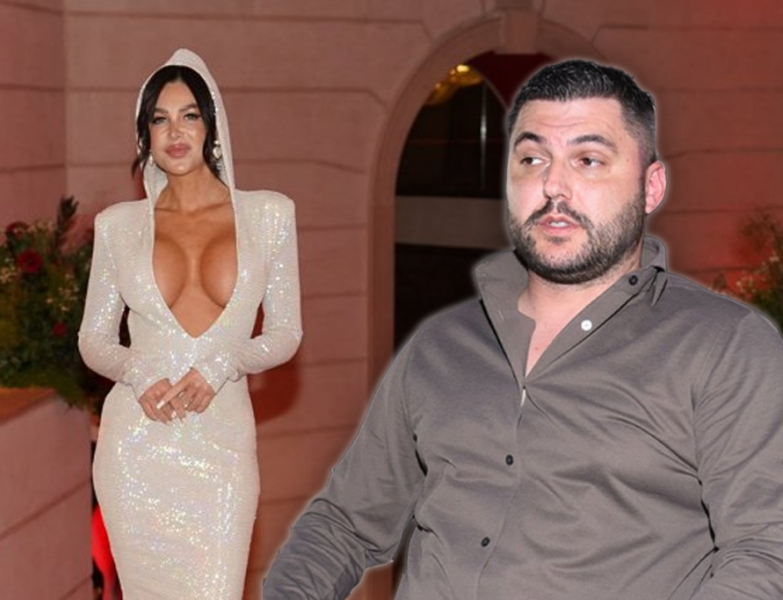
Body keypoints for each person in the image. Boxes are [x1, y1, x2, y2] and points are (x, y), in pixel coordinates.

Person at [263, 60, 783, 599]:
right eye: (532, 159)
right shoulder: (442, 346)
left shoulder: (724, 346)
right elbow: (342, 525)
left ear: (650, 187)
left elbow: (766, 555)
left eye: (588, 160)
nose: (553, 185)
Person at [78, 48, 302, 600]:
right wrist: (138, 373)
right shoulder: (118, 226)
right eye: (160, 118)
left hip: (221, 452)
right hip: (135, 448)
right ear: (145, 136)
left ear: (212, 126)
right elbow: (94, 340)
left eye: (189, 115)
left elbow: (285, 333)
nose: (175, 131)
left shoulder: (269, 215)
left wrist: (223, 364)